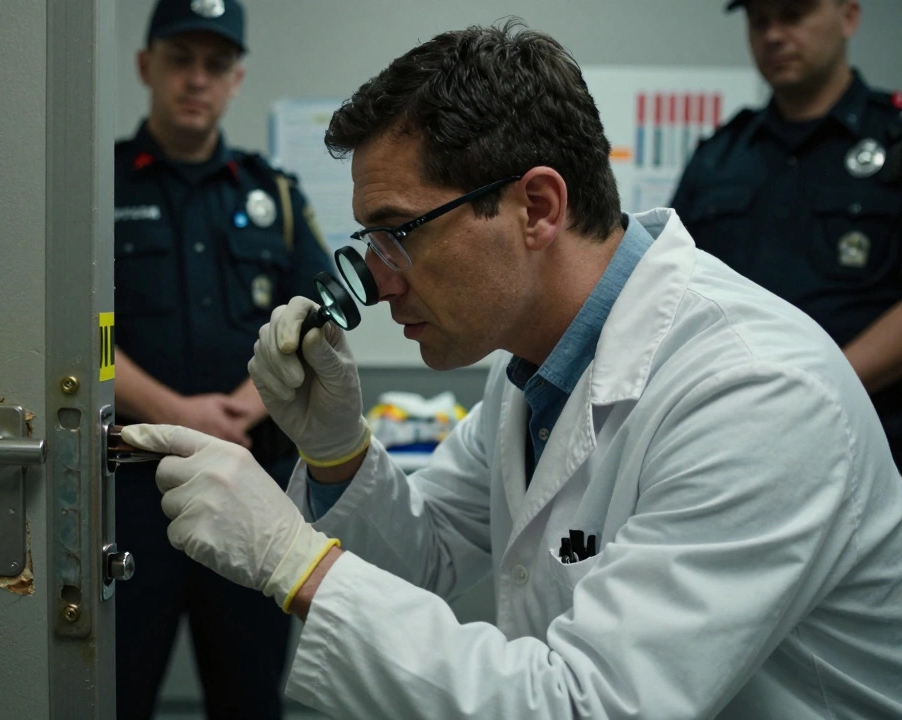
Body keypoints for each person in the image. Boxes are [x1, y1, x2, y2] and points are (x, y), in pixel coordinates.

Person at [119, 20, 902, 719]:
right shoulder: (536, 367)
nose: (381, 281)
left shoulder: (755, 394)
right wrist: (335, 451)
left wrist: (295, 563)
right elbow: (426, 558)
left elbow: (587, 703)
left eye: (399, 234)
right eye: (369, 246)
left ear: (536, 207)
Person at [111, 0, 335, 717]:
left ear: (236, 79)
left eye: (215, 65)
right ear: (148, 67)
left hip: (251, 485)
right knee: (112, 691)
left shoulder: (275, 193)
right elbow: (68, 329)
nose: (196, 80)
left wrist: (253, 397)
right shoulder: (97, 186)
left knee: (249, 696)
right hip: (127, 492)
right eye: (180, 60)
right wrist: (175, 413)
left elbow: (321, 312)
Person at [671, 0, 902, 469]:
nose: (774, 34)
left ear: (849, 16)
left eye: (793, 14)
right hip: (731, 443)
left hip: (871, 446)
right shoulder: (720, 155)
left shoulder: (895, 139)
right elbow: (668, 286)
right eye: (759, 21)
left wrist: (815, 387)